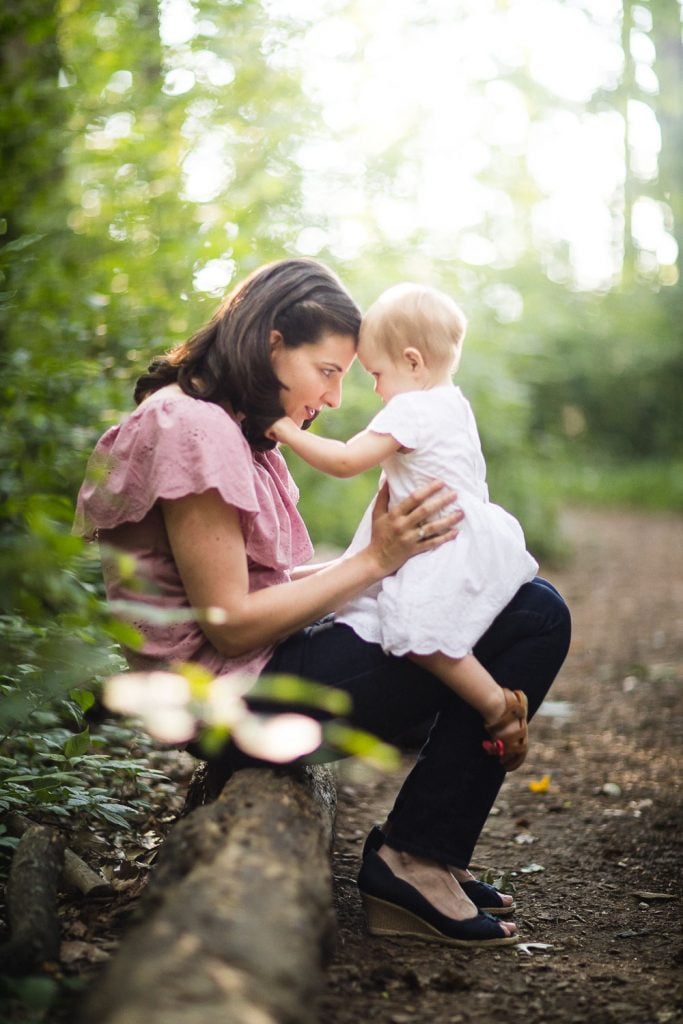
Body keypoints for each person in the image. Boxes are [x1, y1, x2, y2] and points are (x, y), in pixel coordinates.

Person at [75, 257, 571, 950]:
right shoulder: (193, 427)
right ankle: (413, 859)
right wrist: (375, 562)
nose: (338, 398)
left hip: (252, 675)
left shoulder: (224, 425)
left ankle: (426, 853)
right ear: (273, 342)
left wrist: (373, 568)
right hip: (226, 697)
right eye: (330, 370)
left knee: (525, 605)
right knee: (534, 616)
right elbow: (228, 624)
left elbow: (260, 589)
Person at [267, 282, 538, 771]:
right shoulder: (452, 402)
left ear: (413, 362)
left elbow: (348, 460)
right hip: (469, 534)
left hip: (442, 543)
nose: (374, 388)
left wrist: (282, 428)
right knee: (414, 620)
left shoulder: (412, 408)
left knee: (420, 633)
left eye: (376, 373)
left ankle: (498, 708)